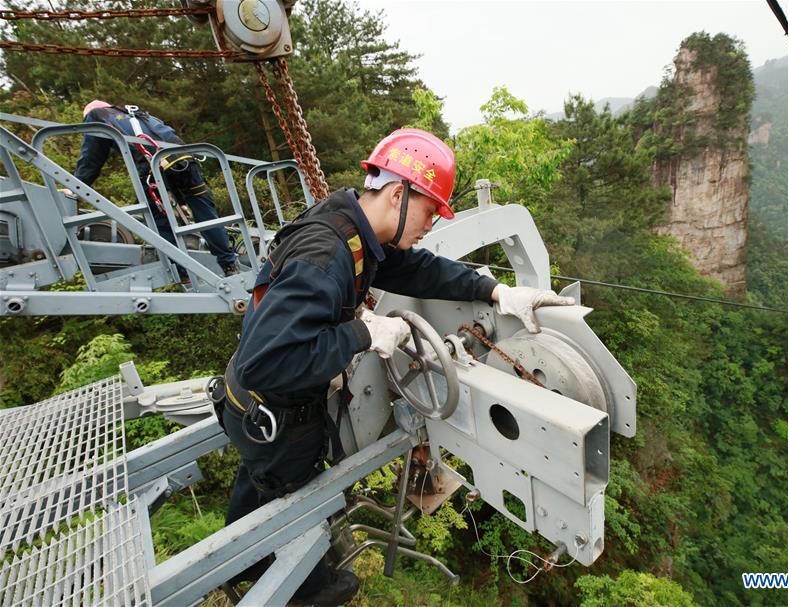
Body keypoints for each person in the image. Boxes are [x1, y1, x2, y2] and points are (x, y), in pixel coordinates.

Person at [220, 128, 574, 606]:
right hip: (275, 418)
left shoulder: (351, 230)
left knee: (257, 482)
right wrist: (364, 334)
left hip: (253, 405)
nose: (430, 224)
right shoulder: (326, 255)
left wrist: (496, 292)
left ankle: (240, 565)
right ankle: (306, 592)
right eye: (430, 211)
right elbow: (270, 363)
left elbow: (418, 269)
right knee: (288, 503)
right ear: (396, 194)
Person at [70, 100, 238, 276]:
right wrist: (180, 201)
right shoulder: (140, 114)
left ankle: (181, 271)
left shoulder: (97, 115)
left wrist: (75, 186)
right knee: (205, 213)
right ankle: (228, 263)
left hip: (152, 167)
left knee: (157, 218)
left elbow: (92, 157)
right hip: (185, 159)